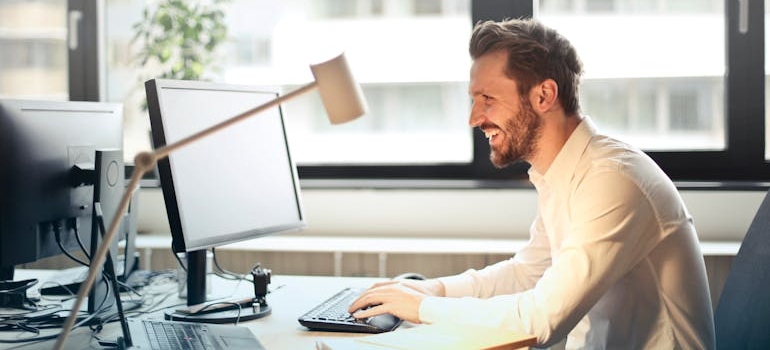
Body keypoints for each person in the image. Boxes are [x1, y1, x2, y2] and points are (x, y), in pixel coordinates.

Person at [349, 18, 716, 349]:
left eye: (487, 99)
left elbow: (542, 321)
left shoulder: (613, 180)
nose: (474, 118)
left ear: (544, 96)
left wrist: (423, 307)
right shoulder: (562, 173)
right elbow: (528, 272)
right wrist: (434, 289)